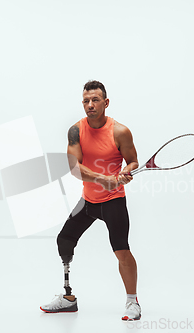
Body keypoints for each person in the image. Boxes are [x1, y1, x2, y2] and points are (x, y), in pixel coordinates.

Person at [40, 80, 141, 321]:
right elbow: (73, 167)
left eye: (95, 100)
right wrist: (104, 178)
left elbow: (133, 161)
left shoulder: (120, 132)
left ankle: (132, 302)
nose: (90, 105)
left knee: (122, 250)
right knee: (64, 240)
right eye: (86, 101)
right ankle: (68, 298)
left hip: (113, 201)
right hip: (88, 201)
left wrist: (126, 173)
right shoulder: (76, 131)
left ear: (106, 103)